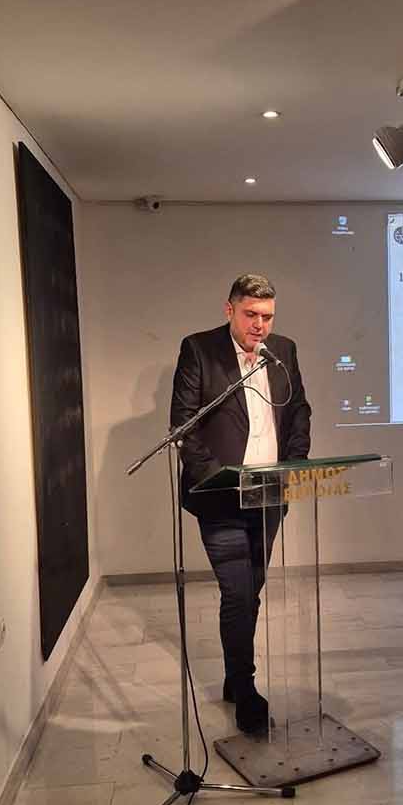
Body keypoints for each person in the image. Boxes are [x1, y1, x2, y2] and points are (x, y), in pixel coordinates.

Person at [170, 273, 311, 734]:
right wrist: (218, 478)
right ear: (229, 309)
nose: (259, 325)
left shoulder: (283, 350)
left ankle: (235, 676)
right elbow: (184, 425)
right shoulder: (199, 350)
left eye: (267, 316)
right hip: (221, 496)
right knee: (237, 591)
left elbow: (299, 411)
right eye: (251, 314)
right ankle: (246, 687)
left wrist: (294, 463)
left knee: (252, 588)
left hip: (269, 492)